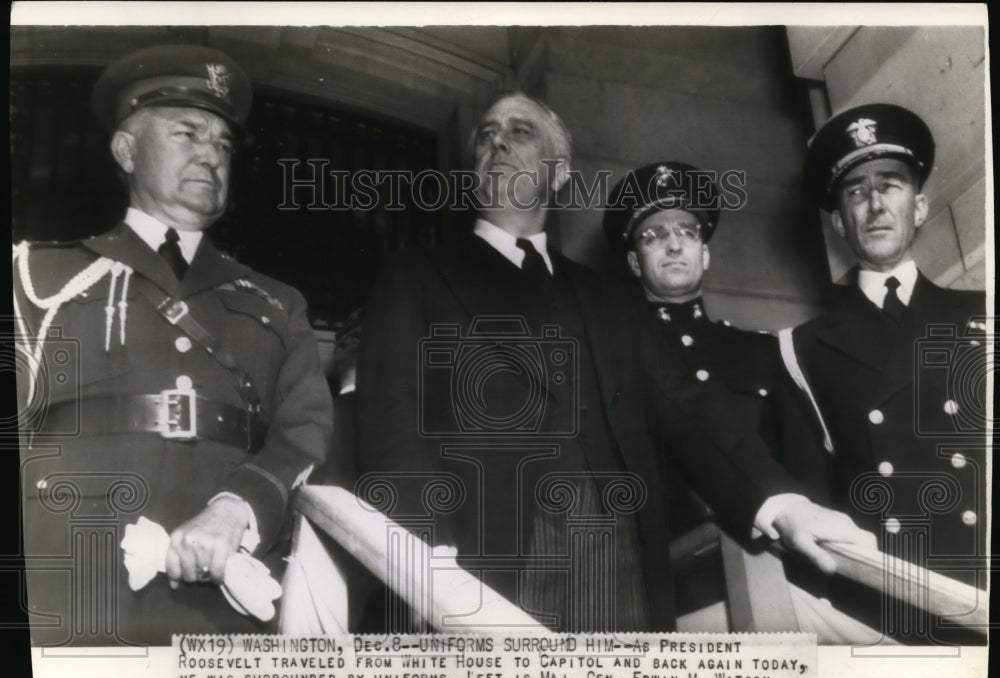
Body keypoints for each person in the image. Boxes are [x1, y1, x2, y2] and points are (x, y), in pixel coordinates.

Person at [356, 92, 875, 633]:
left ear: (558, 174)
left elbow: (687, 407)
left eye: (520, 131)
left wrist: (780, 502)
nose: (498, 141)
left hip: (620, 560)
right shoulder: (414, 275)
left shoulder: (611, 300)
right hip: (481, 558)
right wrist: (419, 561)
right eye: (487, 133)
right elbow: (391, 430)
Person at [13, 45, 333, 646]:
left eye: (222, 143)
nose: (210, 153)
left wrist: (236, 509)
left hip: (219, 609)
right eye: (187, 131)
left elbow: (304, 434)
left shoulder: (275, 302)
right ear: (127, 150)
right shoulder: (34, 278)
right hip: (61, 583)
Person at [777, 103, 987, 640]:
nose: (874, 205)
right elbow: (814, 505)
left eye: (889, 185)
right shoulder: (801, 350)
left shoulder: (985, 314)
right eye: (855, 192)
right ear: (838, 222)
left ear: (918, 207)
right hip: (893, 611)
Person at [603, 161, 779, 536]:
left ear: (705, 254)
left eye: (687, 231)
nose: (674, 244)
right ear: (635, 262)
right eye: (653, 235)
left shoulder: (761, 350)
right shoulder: (612, 351)